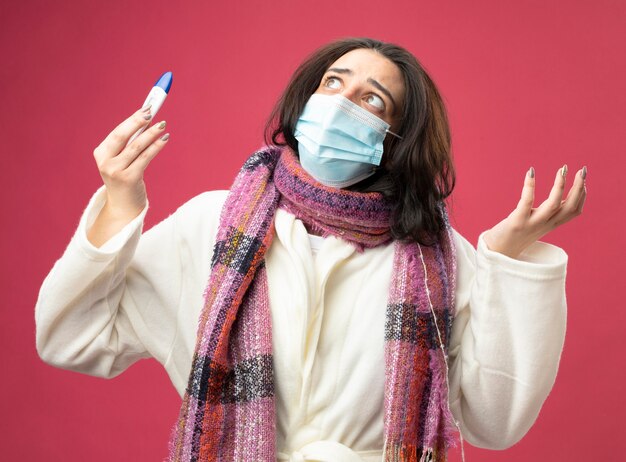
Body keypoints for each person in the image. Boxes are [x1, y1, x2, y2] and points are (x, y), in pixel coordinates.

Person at [35, 37, 586, 462]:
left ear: (396, 143)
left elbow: (496, 421)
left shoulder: (435, 261)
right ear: (305, 102)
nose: (341, 103)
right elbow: (71, 338)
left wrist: (509, 257)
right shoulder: (211, 227)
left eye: (371, 99)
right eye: (332, 83)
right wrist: (118, 202)